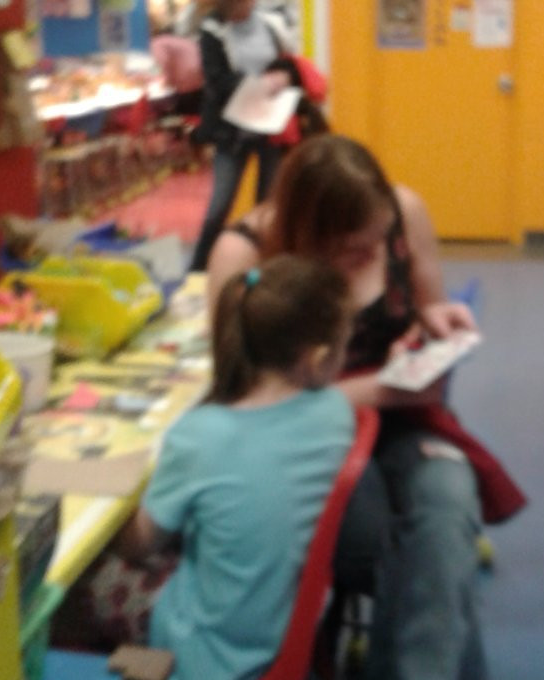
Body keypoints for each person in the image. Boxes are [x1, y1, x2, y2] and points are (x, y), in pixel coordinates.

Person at [207, 134, 527, 680]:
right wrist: (381, 388)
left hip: (406, 423)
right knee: (387, 542)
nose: (375, 255)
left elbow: (426, 307)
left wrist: (437, 325)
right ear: (311, 240)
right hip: (303, 440)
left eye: (381, 241)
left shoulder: (403, 213)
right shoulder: (245, 255)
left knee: (449, 505)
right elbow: (248, 401)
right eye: (357, 249)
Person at [115, 255, 360, 680]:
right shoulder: (336, 412)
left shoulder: (199, 435)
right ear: (319, 359)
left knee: (74, 583)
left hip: (205, 651)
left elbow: (139, 545)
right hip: (288, 626)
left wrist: (114, 507)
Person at [189, 0, 295, 272]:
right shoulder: (212, 29)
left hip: (270, 127)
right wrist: (259, 84)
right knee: (219, 206)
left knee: (267, 208)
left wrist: (284, 76)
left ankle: (262, 269)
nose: (247, 5)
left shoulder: (270, 22)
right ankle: (198, 271)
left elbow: (289, 63)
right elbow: (217, 80)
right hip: (231, 130)